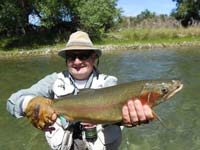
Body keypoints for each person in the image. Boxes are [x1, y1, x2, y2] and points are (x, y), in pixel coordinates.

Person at [7, 31, 154, 150]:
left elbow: (120, 114)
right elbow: (12, 102)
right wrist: (30, 103)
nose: (77, 61)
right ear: (66, 60)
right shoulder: (53, 80)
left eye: (83, 56)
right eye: (72, 56)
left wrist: (125, 121)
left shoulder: (109, 83)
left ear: (94, 58)